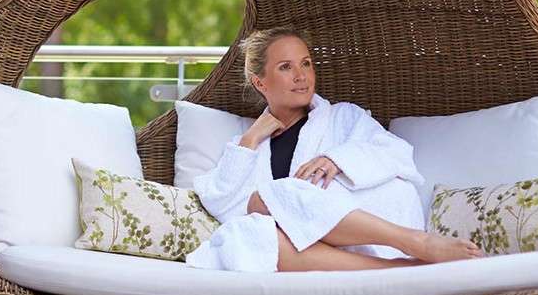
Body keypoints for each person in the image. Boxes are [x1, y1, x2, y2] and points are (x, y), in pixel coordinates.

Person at [184, 27, 484, 272]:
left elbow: (396, 152)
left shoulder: (343, 116)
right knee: (251, 235)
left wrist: (337, 159)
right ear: (260, 82)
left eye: (306, 63)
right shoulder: (248, 146)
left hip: (370, 222)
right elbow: (223, 203)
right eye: (286, 67)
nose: (301, 76)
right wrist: (249, 140)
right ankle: (394, 269)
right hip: (314, 249)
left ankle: (417, 243)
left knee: (275, 194)